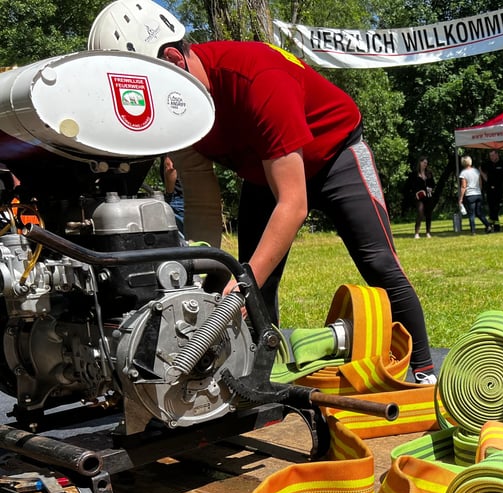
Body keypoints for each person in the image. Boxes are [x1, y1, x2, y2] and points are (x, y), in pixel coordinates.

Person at [88, 0, 438, 384]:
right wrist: (198, 277)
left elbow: (294, 204)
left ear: (174, 59)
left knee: (377, 263)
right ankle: (258, 377)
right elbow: (204, 207)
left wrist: (242, 286)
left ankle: (423, 370)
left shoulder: (257, 80)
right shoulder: (180, 111)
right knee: (250, 277)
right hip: (264, 172)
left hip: (335, 154)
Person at [457, 155, 491, 234]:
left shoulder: (463, 173)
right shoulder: (476, 171)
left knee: (471, 213)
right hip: (478, 194)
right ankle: (488, 225)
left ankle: (473, 231)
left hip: (470, 195)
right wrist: (479, 191)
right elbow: (480, 183)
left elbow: (463, 186)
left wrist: (461, 198)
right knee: (479, 212)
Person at [405, 156, 436, 239]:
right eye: (424, 162)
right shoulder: (414, 174)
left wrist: (430, 188)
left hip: (428, 196)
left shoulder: (429, 173)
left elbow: (433, 184)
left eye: (426, 163)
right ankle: (417, 233)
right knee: (420, 213)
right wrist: (415, 193)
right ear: (420, 162)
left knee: (428, 214)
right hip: (418, 197)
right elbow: (409, 186)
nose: (425, 164)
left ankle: (428, 232)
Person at [160, 155, 186, 236]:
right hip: (192, 194)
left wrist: (168, 194)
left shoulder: (171, 147)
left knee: (181, 239)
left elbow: (170, 167)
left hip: (177, 198)